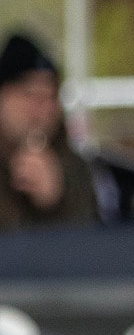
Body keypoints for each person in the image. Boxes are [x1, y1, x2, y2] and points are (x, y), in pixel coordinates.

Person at [0, 32, 99, 231]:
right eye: (28, 95)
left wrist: (55, 201)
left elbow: (88, 246)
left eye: (50, 97)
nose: (41, 109)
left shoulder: (74, 167)